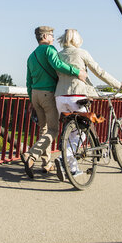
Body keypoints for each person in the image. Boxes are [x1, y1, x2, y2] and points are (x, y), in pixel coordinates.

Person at [53, 29, 122, 181]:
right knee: (83, 133)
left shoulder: (58, 55)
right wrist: (118, 84)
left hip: (60, 97)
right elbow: (99, 72)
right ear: (77, 39)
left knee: (71, 133)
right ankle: (63, 159)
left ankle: (72, 169)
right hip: (77, 96)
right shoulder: (82, 53)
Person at [21, 26, 87, 178]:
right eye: (50, 35)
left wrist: (32, 99)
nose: (52, 37)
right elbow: (58, 65)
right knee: (53, 130)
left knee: (44, 129)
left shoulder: (31, 56)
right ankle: (30, 155)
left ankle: (46, 164)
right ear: (44, 36)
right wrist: (77, 72)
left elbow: (28, 81)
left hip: (36, 95)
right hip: (48, 94)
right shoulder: (49, 50)